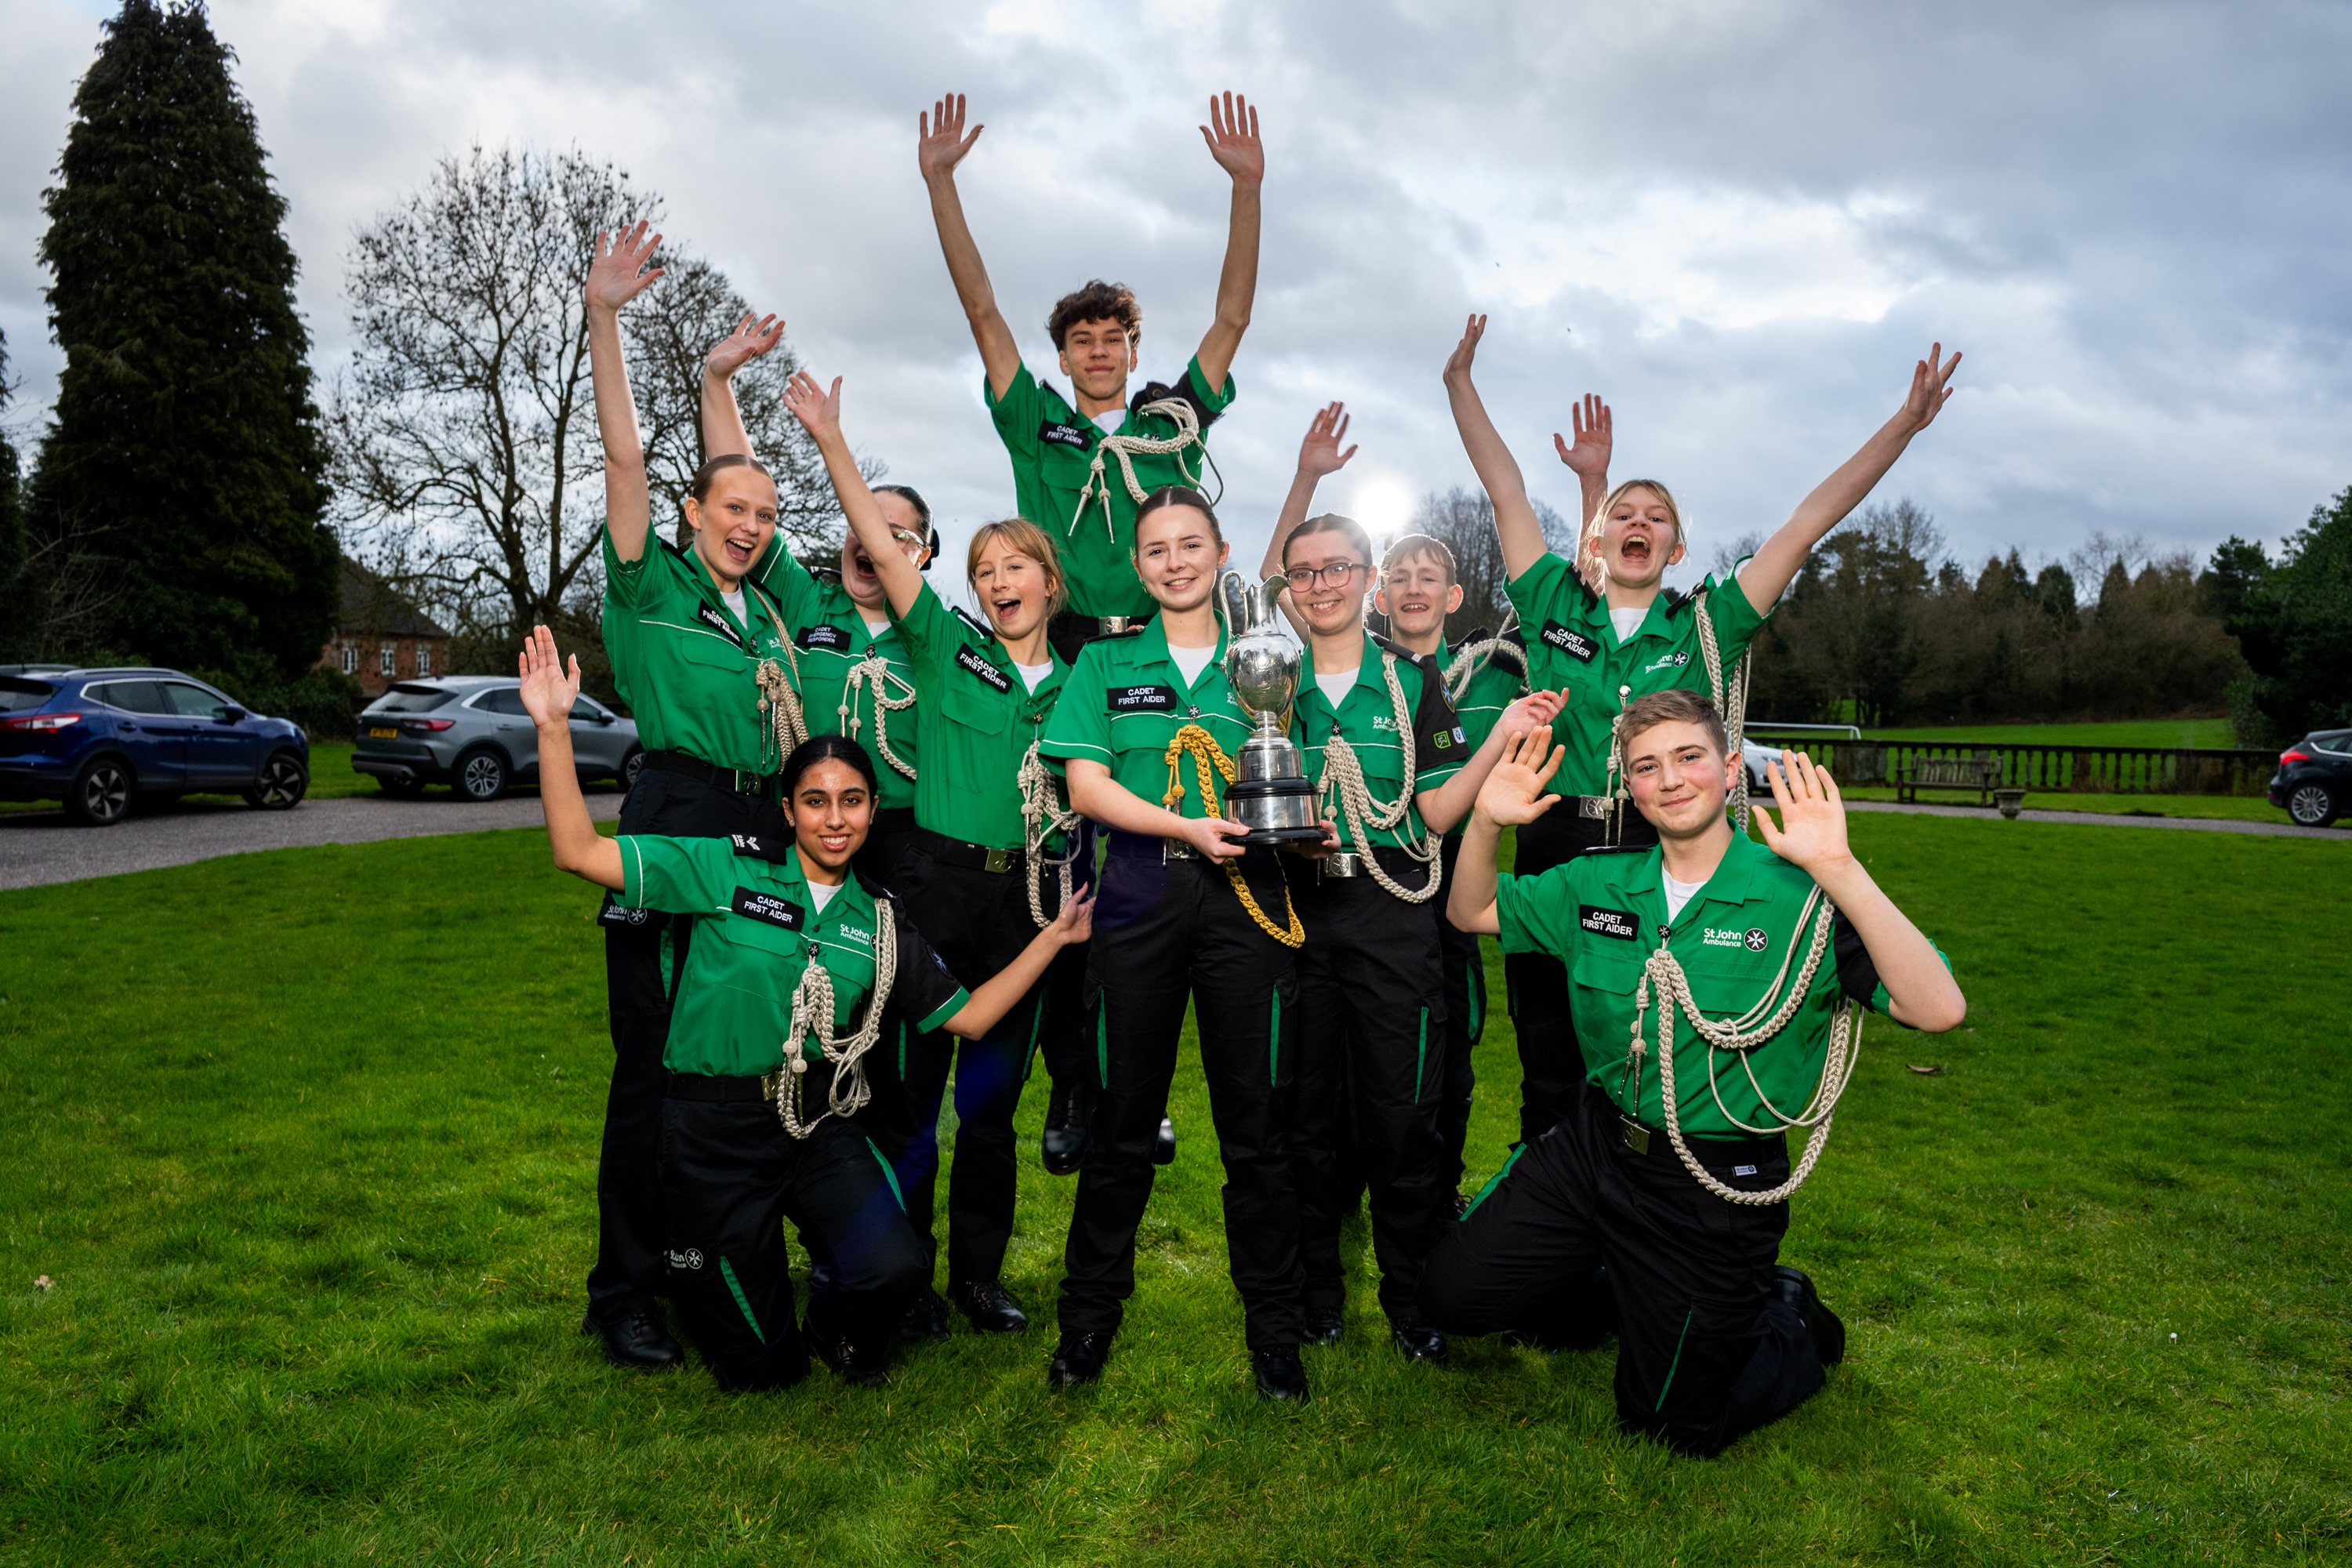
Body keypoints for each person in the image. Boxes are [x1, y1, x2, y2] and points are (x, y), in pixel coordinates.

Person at [515, 626, 1091, 1389]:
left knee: (894, 1267)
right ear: (788, 809)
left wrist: (1051, 939)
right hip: (714, 1134)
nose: (834, 817)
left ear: (872, 808)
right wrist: (553, 726)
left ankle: (832, 1321)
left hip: (813, 1127)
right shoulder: (723, 866)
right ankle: (720, 1273)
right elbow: (580, 851)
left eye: (852, 800)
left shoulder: (878, 919)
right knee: (764, 1367)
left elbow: (974, 1016)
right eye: (815, 799)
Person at [1443, 314, 1962, 1149]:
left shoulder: (1711, 624)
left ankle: (1667, 1204)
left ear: (1677, 547)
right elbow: (1504, 488)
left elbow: (1804, 523)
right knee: (1549, 1057)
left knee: (1662, 1045)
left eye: (1657, 515)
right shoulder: (1550, 604)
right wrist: (1459, 383)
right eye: (1623, 513)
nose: (1638, 521)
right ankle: (1550, 1223)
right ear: (1601, 540)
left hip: (1666, 842)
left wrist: (1902, 424)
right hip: (1558, 842)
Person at [1425, 691, 1965, 1455]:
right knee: (1450, 1294)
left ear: (1730, 767)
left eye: (1688, 757)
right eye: (1646, 765)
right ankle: (1636, 1283)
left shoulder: (1798, 897)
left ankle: (1782, 1314)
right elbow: (1470, 909)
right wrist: (1486, 819)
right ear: (1629, 785)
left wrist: (1838, 867)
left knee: (1672, 1421)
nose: (1670, 779)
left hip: (1712, 1183)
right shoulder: (1597, 882)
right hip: (1595, 1149)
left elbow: (1936, 1006)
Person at [782, 368, 1090, 1342]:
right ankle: (901, 1276)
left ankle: (979, 1278)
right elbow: (877, 542)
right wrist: (834, 441)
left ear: (1050, 580)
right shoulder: (945, 645)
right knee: (908, 1101)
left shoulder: (1085, 681)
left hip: (1028, 906)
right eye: (985, 570)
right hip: (932, 889)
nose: (999, 583)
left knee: (990, 1114)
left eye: (1017, 568)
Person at [1258, 413, 1562, 1363]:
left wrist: (1499, 746)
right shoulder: (1266, 674)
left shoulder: (1409, 682)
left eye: (1339, 567)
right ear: (1292, 588)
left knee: (1402, 1115)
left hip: (1393, 909)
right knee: (1304, 1117)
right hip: (1295, 911)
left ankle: (1411, 1297)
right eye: (1304, 572)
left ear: (1366, 578)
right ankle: (1316, 1293)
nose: (1321, 583)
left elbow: (1431, 814)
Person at [579, 223, 806, 1370]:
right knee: (656, 1065)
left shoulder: (765, 610)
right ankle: (622, 1291)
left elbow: (742, 476)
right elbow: (628, 462)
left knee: (731, 1061)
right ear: (691, 520)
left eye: (766, 516)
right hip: (678, 817)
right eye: (733, 512)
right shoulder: (651, 585)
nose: (752, 525)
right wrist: (605, 315)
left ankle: (706, 1257)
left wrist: (728, 382)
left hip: (763, 829)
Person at [1037, 486, 1312, 1401]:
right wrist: (1184, 826)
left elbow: (1302, 778)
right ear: (1139, 565)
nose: (1175, 561)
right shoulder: (1107, 662)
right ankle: (1087, 1324)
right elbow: (1085, 784)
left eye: (1191, 544)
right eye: (1156, 549)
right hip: (1141, 889)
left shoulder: (1271, 657)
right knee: (1120, 1120)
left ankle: (1276, 1331)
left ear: (1221, 549)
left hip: (1250, 898)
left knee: (1258, 1128)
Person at [917, 89, 1265, 662]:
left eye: (1113, 340)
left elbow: (1233, 319)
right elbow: (982, 311)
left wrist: (1246, 188)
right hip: (1060, 651)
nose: (1098, 352)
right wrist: (940, 182)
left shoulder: (1174, 425)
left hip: (1162, 647)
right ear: (1062, 358)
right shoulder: (1036, 424)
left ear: (1133, 354)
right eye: (1081, 341)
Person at [698, 311, 937, 887]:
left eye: (894, 535)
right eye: (862, 525)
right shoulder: (807, 602)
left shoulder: (938, 636)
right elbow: (740, 488)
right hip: (804, 831)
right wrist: (717, 382)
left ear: (921, 557)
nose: (872, 544)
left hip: (905, 840)